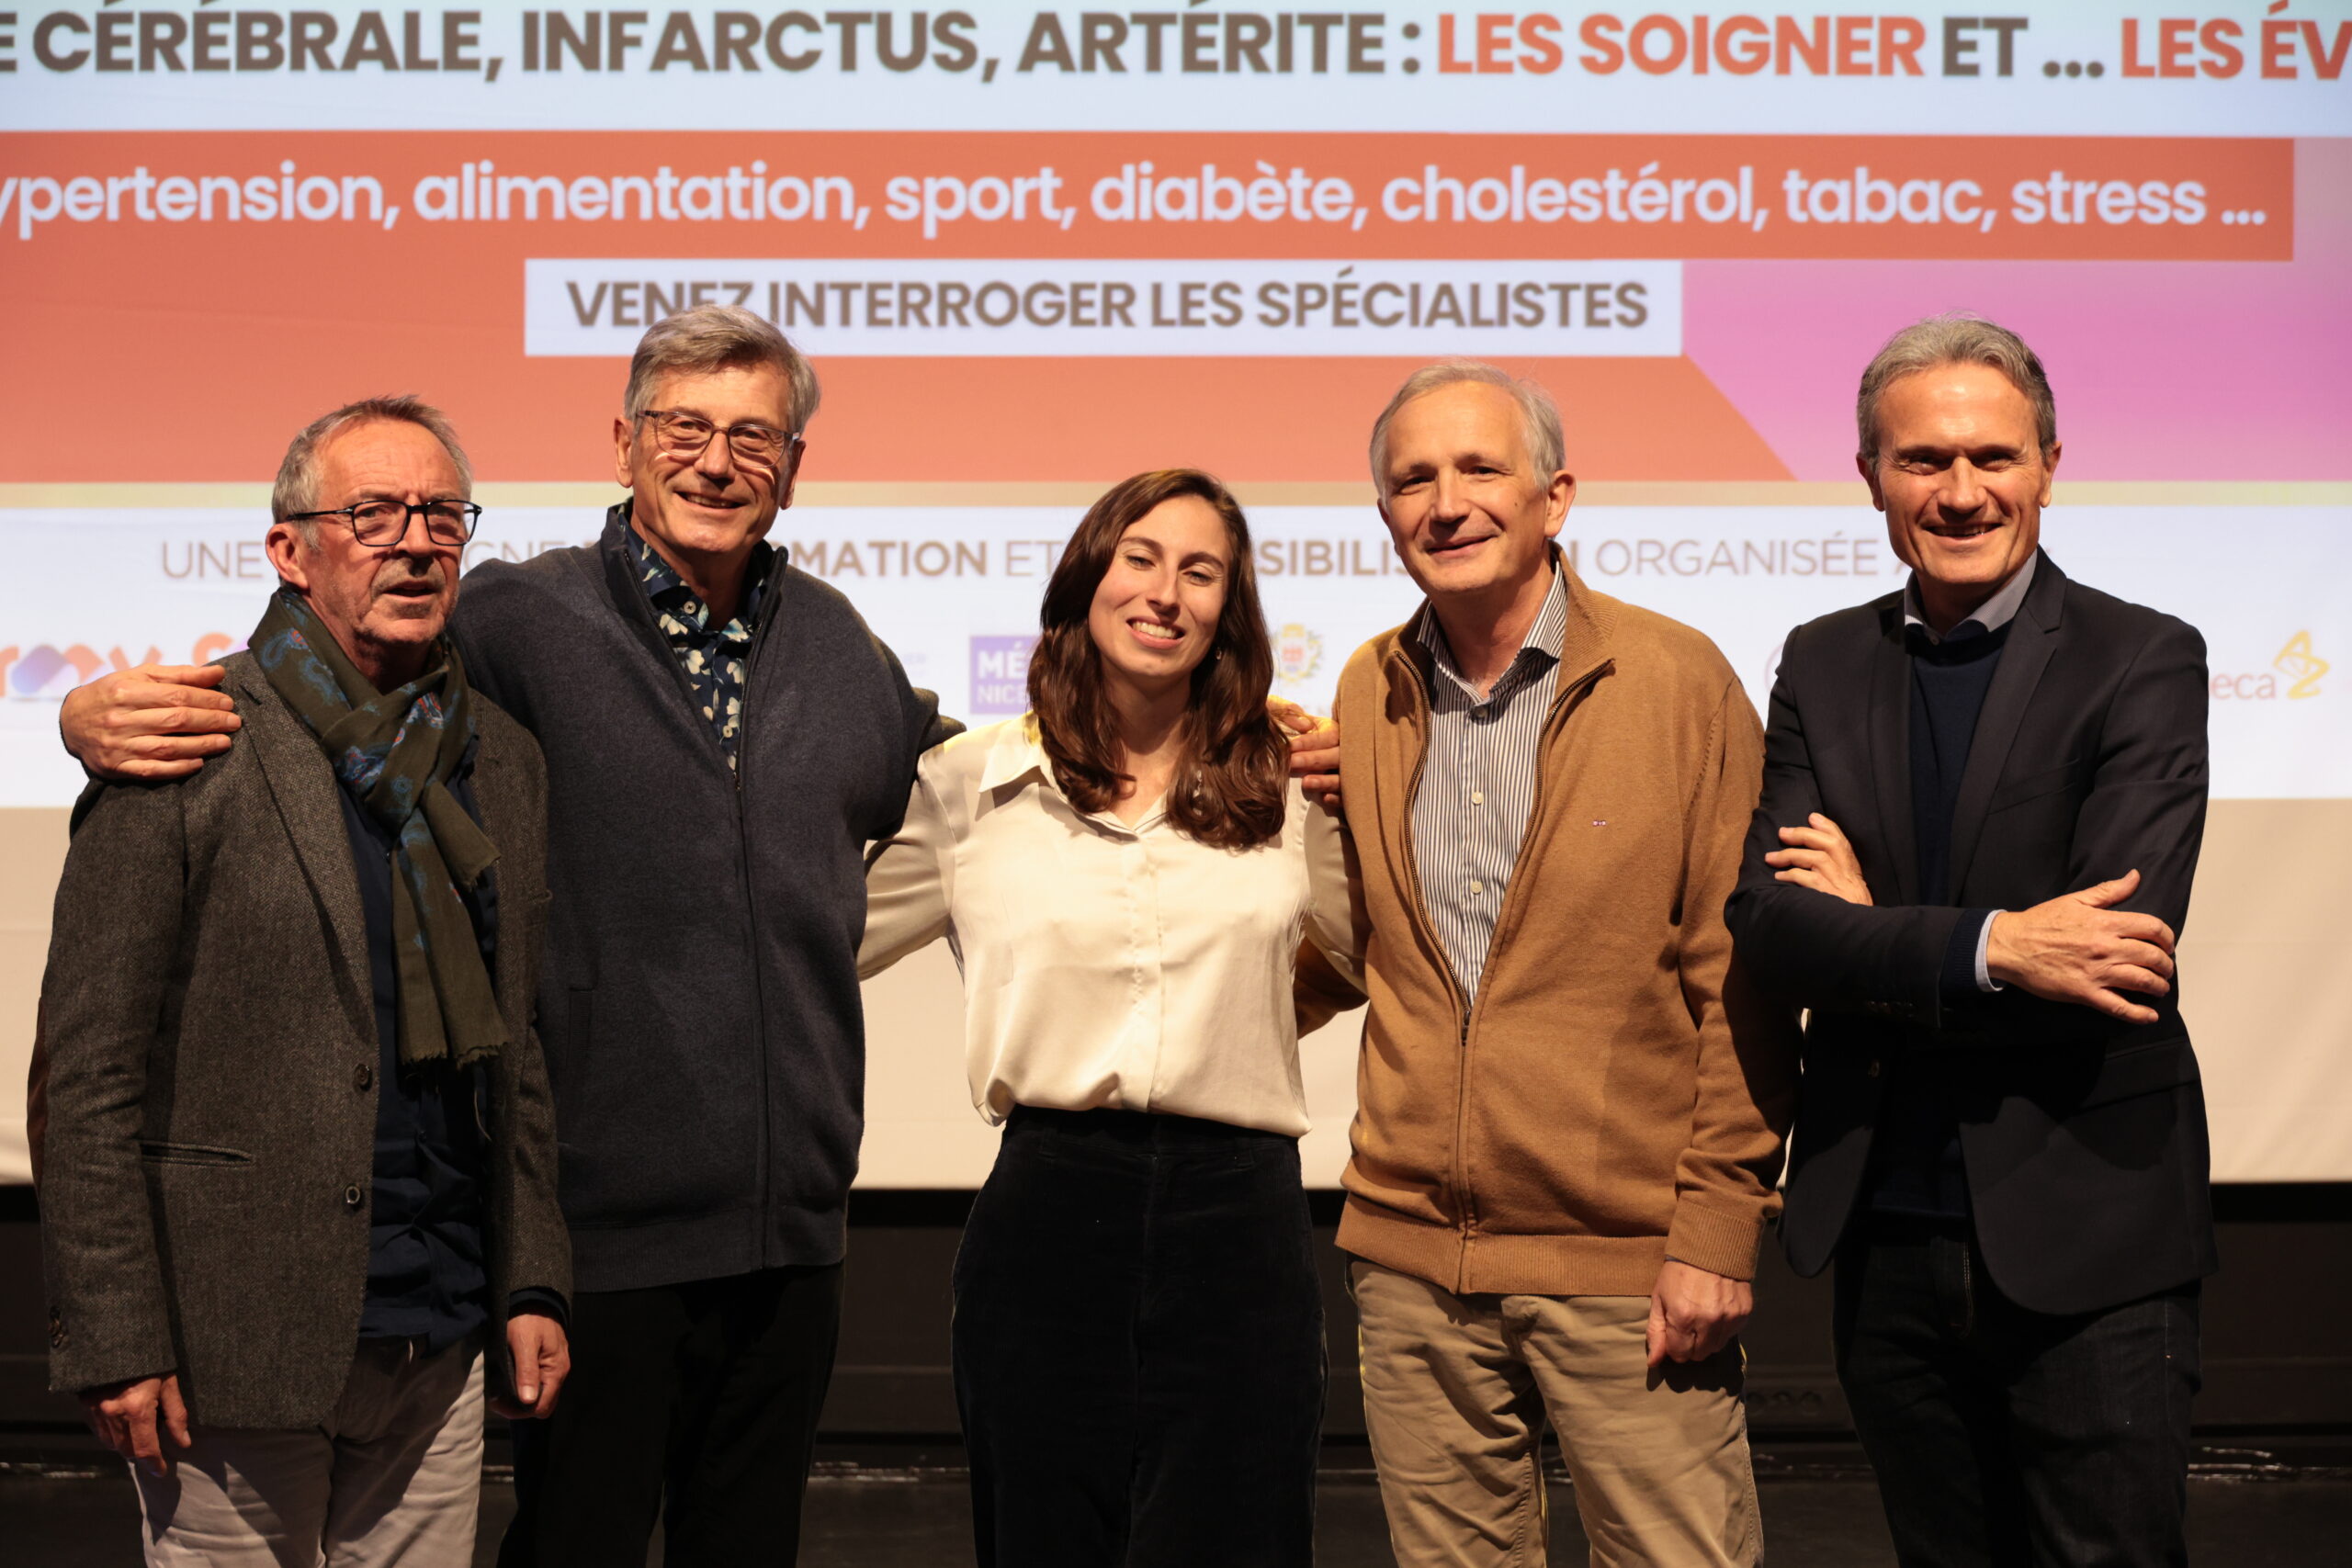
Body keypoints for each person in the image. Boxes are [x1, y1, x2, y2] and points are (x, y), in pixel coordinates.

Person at [37, 397, 571, 1565]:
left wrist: (532, 1277)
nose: (416, 543)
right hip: (230, 1343)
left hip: (442, 1326)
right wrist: (116, 1335)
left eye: (441, 515)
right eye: (373, 515)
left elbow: (516, 1051)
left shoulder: (503, 761)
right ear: (290, 549)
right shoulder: (184, 739)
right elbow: (85, 1077)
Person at [1724, 313, 2213, 1567]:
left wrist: (1871, 929)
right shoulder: (1822, 661)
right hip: (1882, 1225)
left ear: (2049, 464)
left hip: (2089, 1226)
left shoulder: (2143, 657)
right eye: (1922, 460)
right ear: (1870, 477)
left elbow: (2107, 956)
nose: (1960, 492)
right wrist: (1997, 943)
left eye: (1993, 456)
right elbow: (1773, 928)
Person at [1314, 361, 1797, 1567]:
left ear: (1555, 496)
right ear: (1383, 512)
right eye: (1413, 479)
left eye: (1480, 469)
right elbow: (1367, 944)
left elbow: (1740, 978)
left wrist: (1717, 1229)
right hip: (1411, 1267)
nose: (1446, 503)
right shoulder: (1367, 689)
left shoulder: (1675, 680)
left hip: (1628, 1264)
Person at [857, 469, 1360, 1568]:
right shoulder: (971, 783)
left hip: (1239, 1220)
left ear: (1229, 610)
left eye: (1200, 572)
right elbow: (818, 945)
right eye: (1140, 559)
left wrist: (1258, 1014)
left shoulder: (1290, 780)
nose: (1165, 592)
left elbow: (1376, 953)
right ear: (1089, 576)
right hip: (1050, 1209)